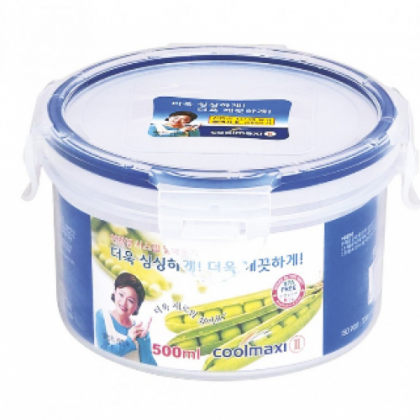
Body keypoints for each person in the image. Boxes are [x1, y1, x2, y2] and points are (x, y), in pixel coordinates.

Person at [95, 272, 157, 365]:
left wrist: (142, 340)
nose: (124, 303)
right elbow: (104, 352)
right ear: (115, 292)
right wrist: (129, 341)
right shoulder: (103, 316)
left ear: (137, 307)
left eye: (130, 300)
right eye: (121, 294)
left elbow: (150, 367)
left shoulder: (139, 330)